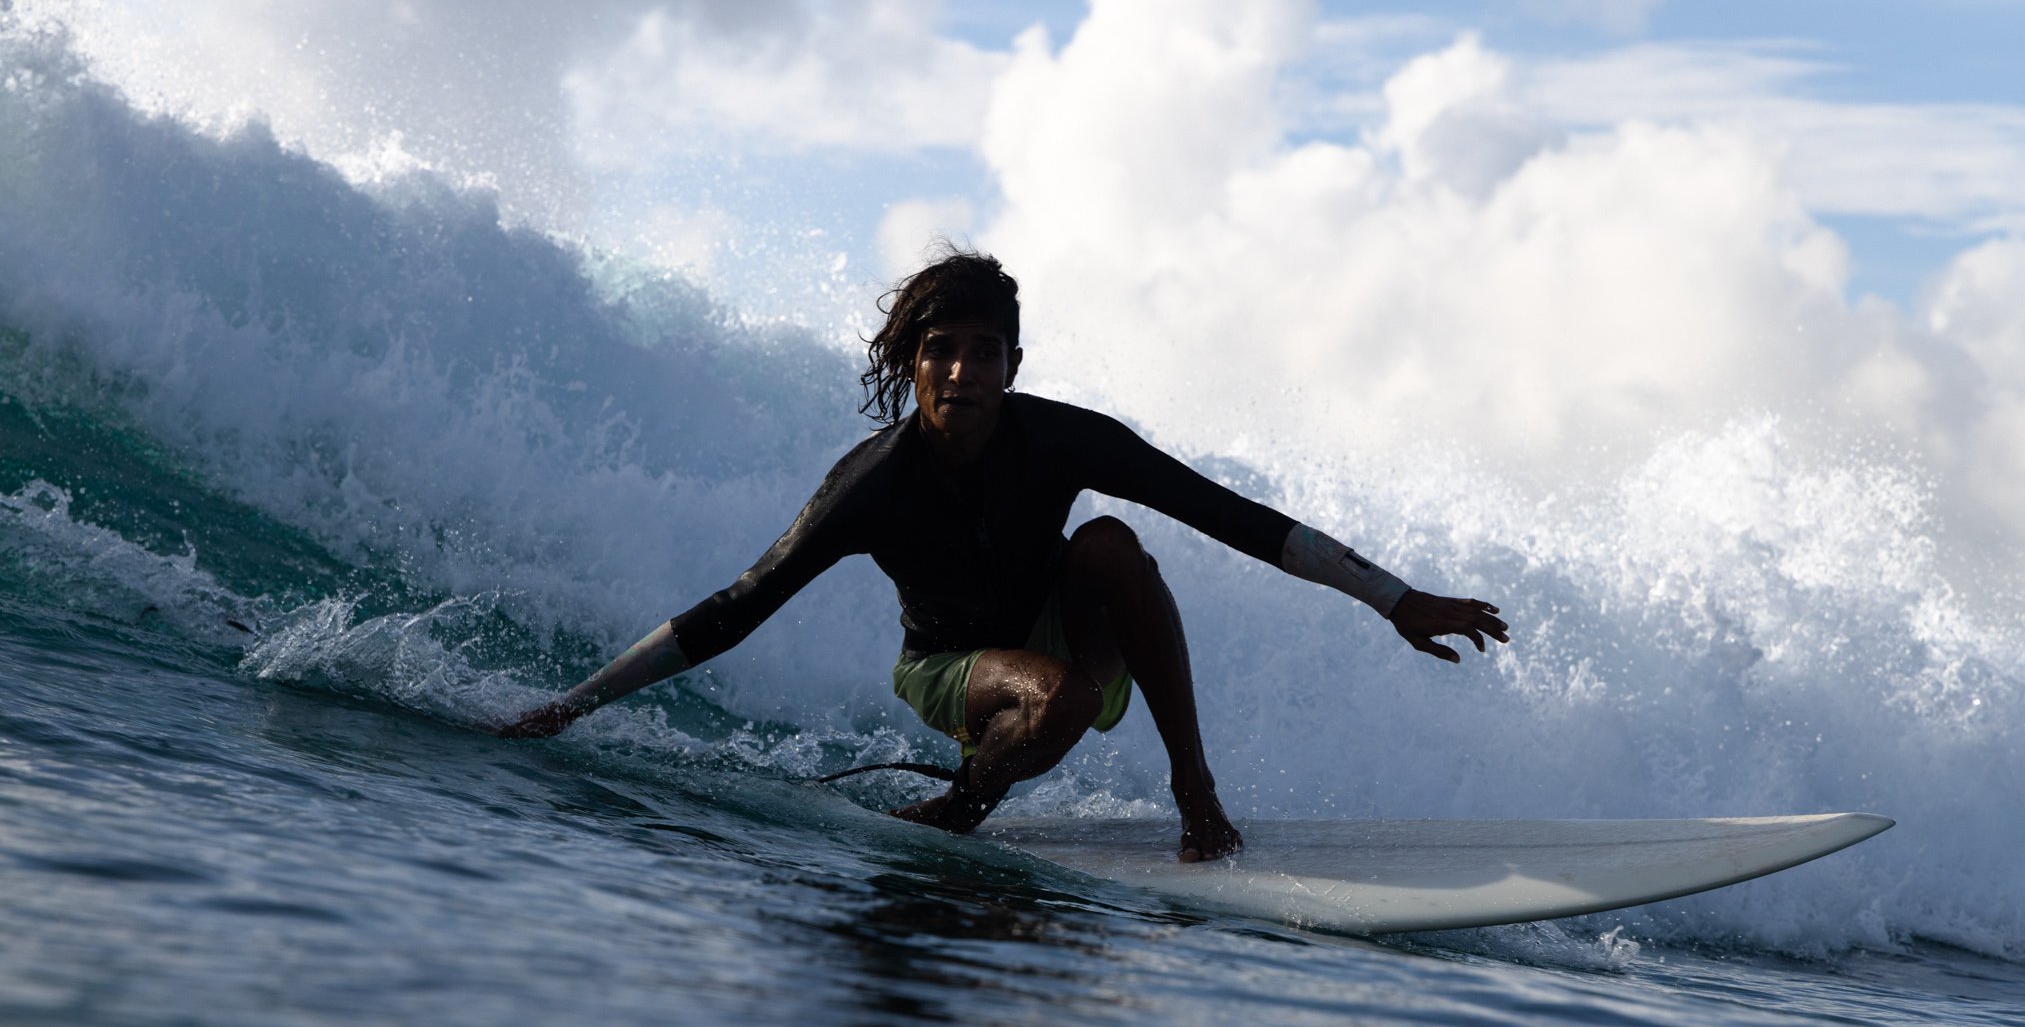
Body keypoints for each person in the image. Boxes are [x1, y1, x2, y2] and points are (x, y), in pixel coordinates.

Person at [503, 249, 1507, 861]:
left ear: (1012, 367)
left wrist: (1393, 598)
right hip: (948, 669)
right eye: (940, 349)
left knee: (1112, 543)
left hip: (1064, 648)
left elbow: (1226, 514)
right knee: (1057, 695)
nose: (960, 370)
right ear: (911, 364)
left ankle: (1194, 793)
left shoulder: (1062, 439)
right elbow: (740, 603)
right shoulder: (873, 483)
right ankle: (963, 802)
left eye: (984, 351)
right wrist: (572, 705)